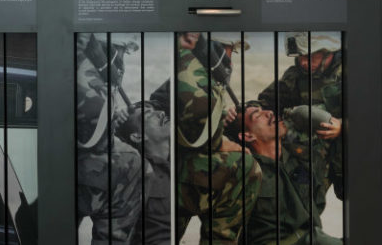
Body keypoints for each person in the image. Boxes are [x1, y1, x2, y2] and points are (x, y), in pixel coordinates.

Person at [174, 32, 262, 243]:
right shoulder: (194, 69)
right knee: (245, 167)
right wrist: (221, 141)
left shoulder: (188, 62)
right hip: (177, 165)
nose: (229, 61)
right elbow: (195, 118)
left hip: (171, 163)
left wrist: (221, 115)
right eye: (227, 52)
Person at [227, 104, 341, 244]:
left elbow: (317, 201)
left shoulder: (300, 160)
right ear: (248, 136)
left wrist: (340, 127)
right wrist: (223, 119)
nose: (269, 113)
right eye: (258, 115)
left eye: (265, 110)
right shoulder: (244, 171)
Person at [257, 33, 344, 213]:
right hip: (313, 158)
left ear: (329, 52)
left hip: (353, 154)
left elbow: (380, 112)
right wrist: (247, 109)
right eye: (301, 57)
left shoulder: (354, 71)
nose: (304, 62)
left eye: (310, 57)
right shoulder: (295, 76)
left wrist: (343, 126)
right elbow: (267, 102)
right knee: (304, 210)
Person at [75, 33, 143, 243]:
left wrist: (112, 115)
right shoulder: (89, 72)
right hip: (86, 167)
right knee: (134, 162)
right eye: (123, 52)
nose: (122, 59)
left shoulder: (80, 64)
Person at [116, 100, 172, 244]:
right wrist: (113, 123)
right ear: (137, 136)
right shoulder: (136, 173)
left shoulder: (181, 158)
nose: (161, 113)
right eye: (149, 115)